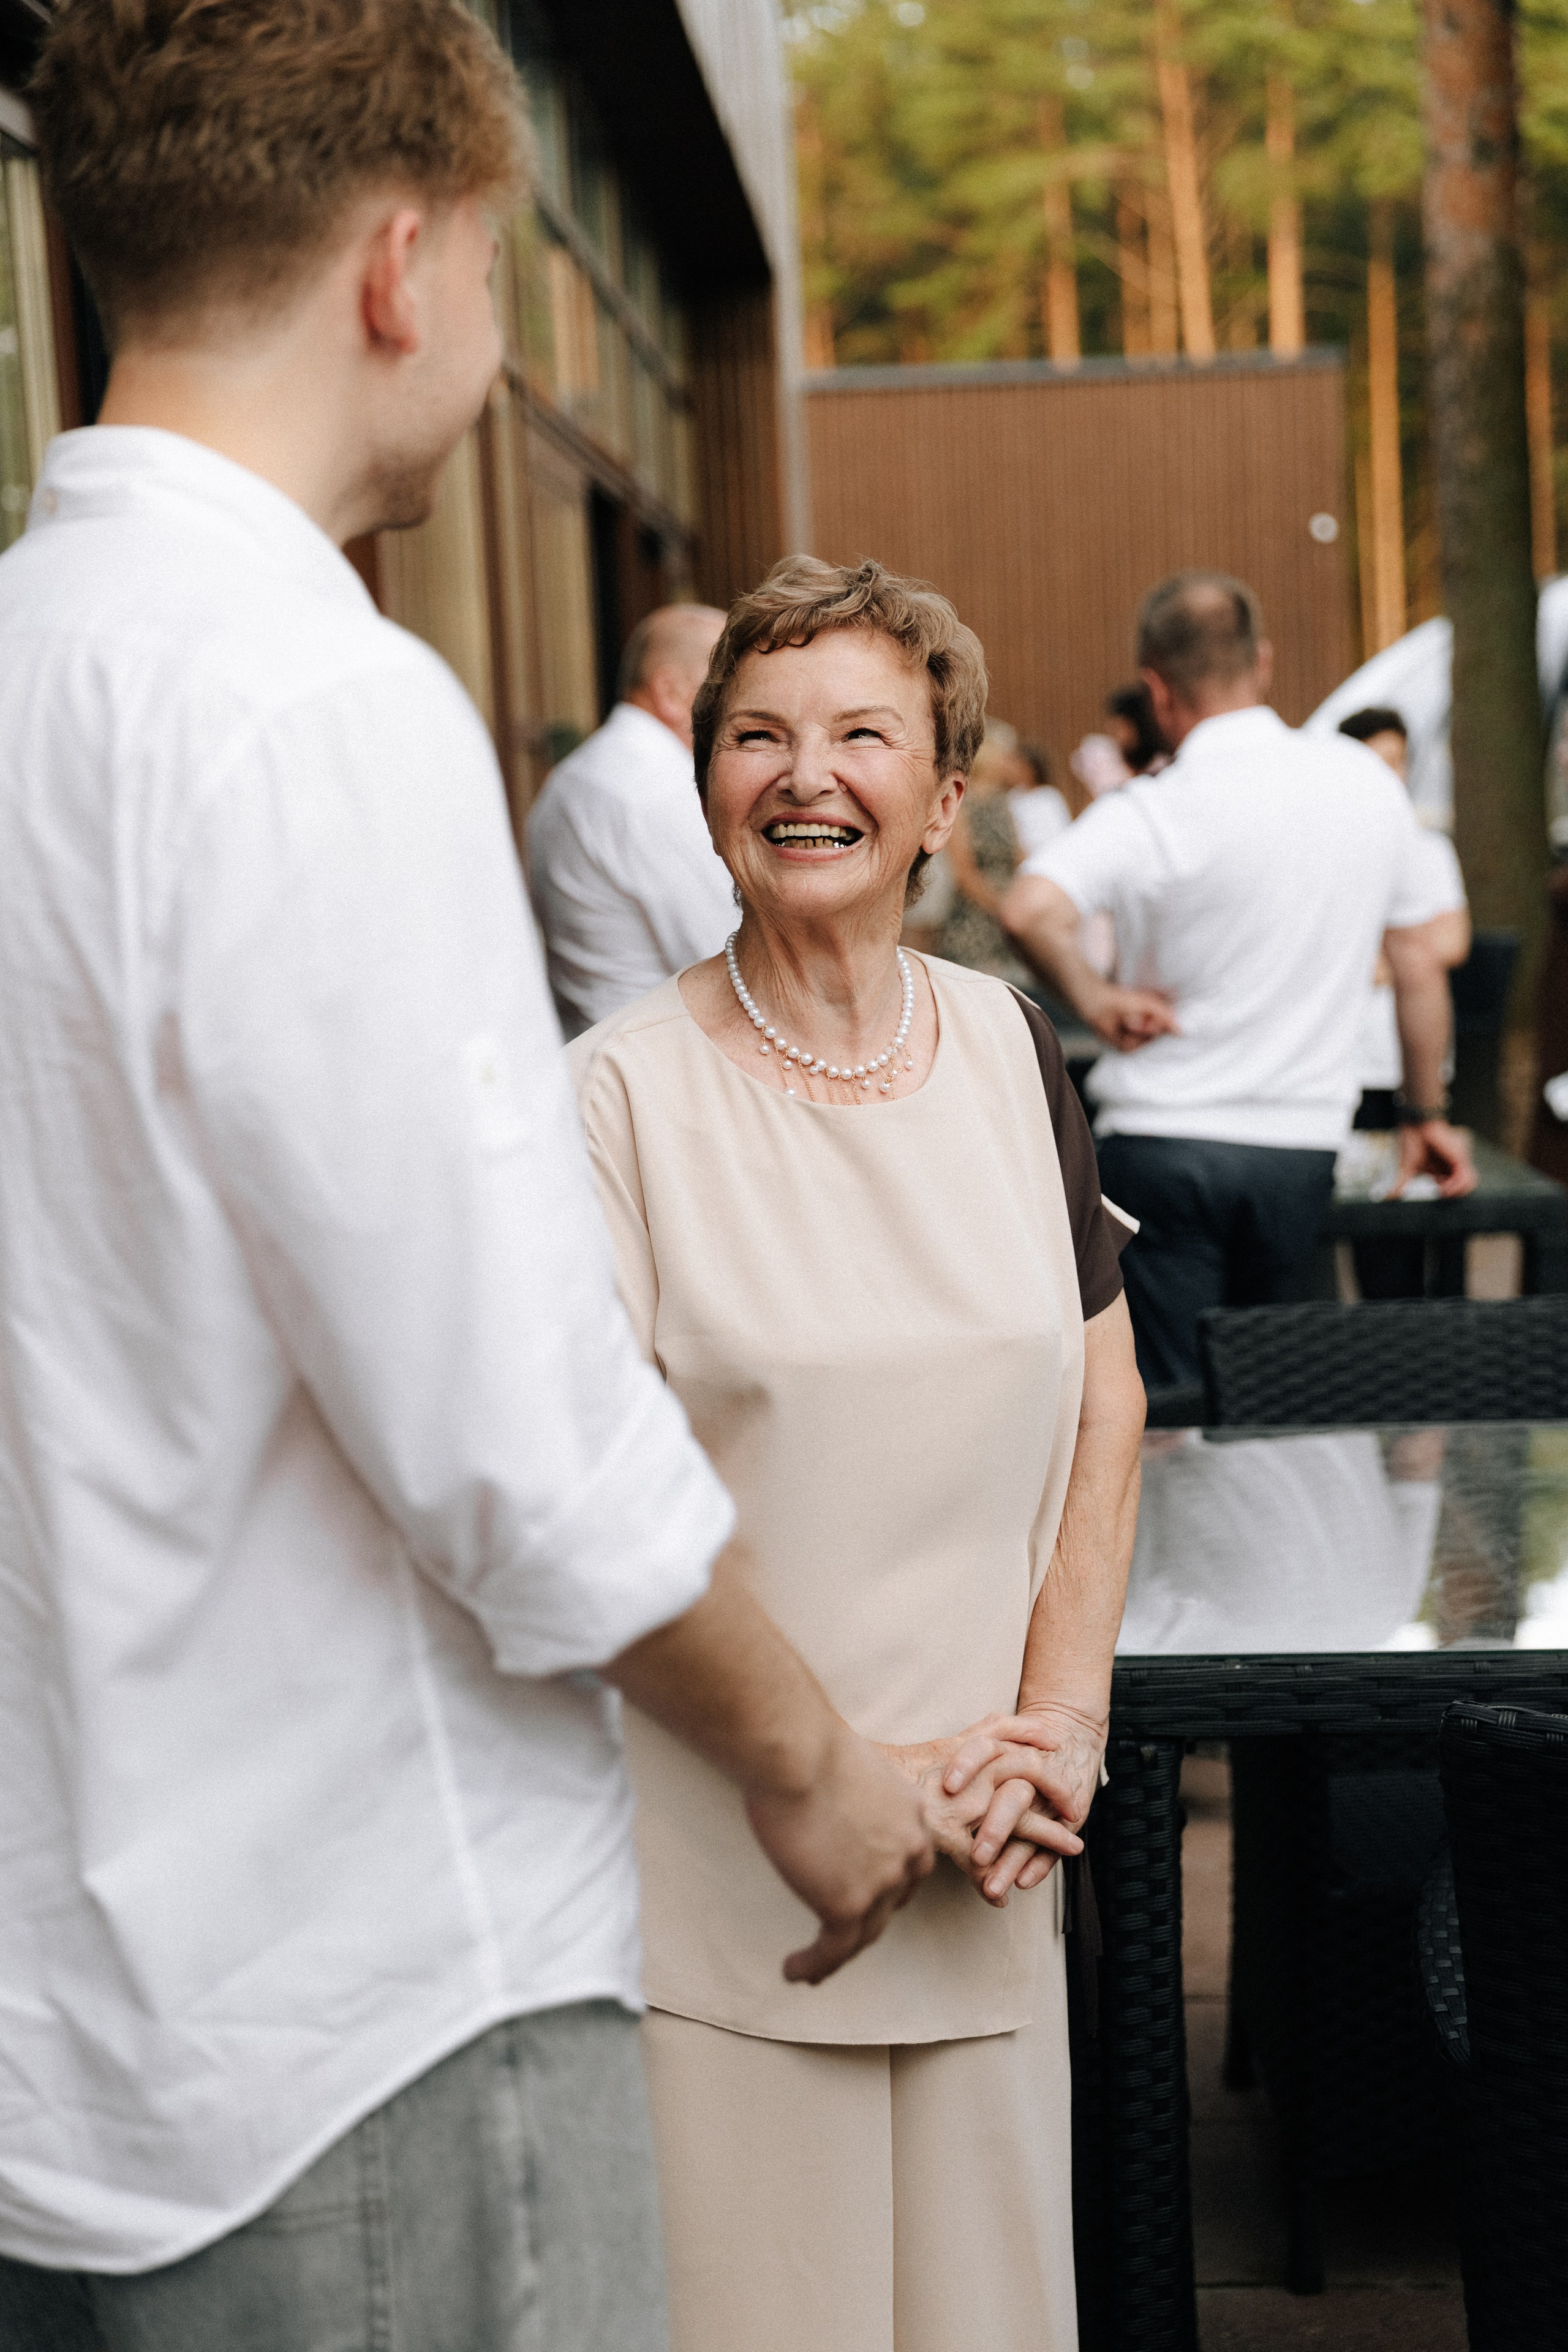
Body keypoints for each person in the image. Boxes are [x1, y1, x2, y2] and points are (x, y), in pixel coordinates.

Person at [0, 9, 933, 2348]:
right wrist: (807, 1761)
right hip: (358, 2004)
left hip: (71, 2020)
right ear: (400, 267)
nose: (512, 352)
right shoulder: (310, 700)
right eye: (515, 281)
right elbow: (511, 1433)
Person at [570, 554, 1147, 2352]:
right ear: (706, 786)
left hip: (991, 1857)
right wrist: (839, 1767)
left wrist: (1060, 1723)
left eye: (858, 735)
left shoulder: (1001, 1039)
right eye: (756, 732)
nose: (803, 772)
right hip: (733, 1893)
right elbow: (585, 1505)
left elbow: (1103, 1391)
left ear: (942, 802)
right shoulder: (612, 1093)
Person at [1001, 570, 1477, 1392]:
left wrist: (1097, 998)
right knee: (1276, 1403)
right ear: (1262, 661)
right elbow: (1419, 963)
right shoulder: (1364, 782)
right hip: (1297, 1150)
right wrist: (1423, 1112)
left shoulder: (1152, 808)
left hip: (1159, 1147)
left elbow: (1028, 909)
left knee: (1166, 1417)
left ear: (1156, 687)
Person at [529, 603, 734, 1038]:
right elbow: (740, 955)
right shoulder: (651, 789)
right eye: (730, 687)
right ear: (671, 693)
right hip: (654, 1064)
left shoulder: (584, 773)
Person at [1337, 707, 1471, 1297]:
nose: (1389, 776)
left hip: (1417, 1066)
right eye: (1374, 762)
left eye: (1398, 761)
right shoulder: (1329, 855)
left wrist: (1379, 960)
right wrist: (1407, 951)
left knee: (1437, 1215)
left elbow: (1452, 940)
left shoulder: (1429, 849)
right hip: (1353, 1064)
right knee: (1373, 1224)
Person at [935, 721, 1032, 984]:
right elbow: (965, 873)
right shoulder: (962, 804)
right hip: (975, 919)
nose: (1010, 762)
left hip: (1009, 913)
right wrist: (1002, 907)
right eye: (1006, 755)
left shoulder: (1004, 803)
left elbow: (1020, 856)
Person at [1009, 737, 1072, 858]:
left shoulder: (1048, 797)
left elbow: (1060, 834)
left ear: (1031, 768)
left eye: (1018, 764)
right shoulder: (1011, 796)